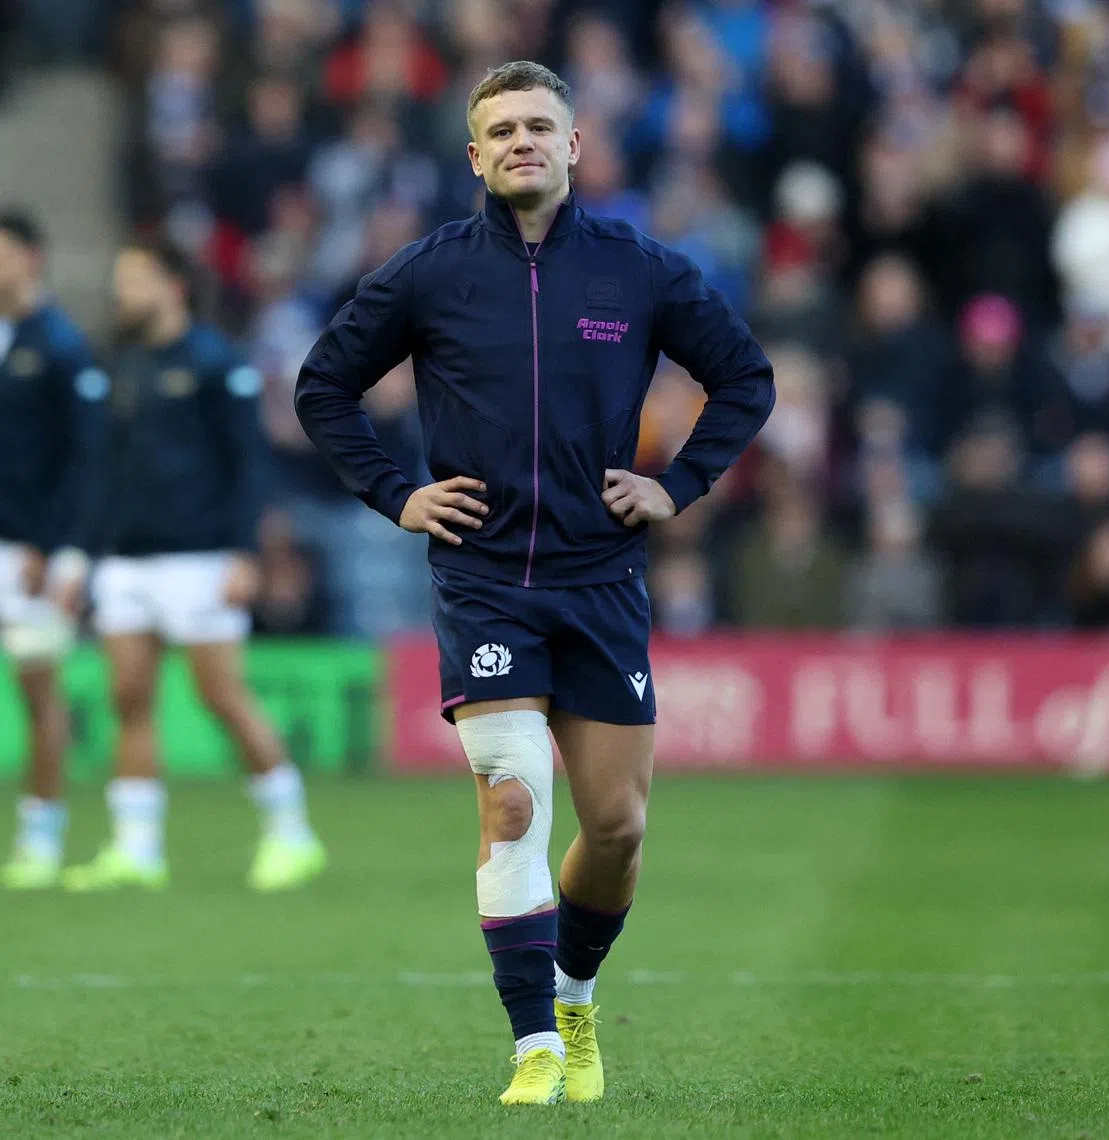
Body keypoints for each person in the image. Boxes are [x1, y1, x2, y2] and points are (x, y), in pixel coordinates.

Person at [295, 61, 775, 1106]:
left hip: (602, 578)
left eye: (539, 126)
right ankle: (532, 1048)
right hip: (483, 582)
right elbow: (323, 385)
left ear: (574, 147)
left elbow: (746, 376)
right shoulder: (425, 274)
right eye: (500, 128)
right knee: (512, 800)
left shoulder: (640, 271)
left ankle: (573, 998)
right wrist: (398, 493)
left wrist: (677, 484)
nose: (521, 140)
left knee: (617, 828)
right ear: (474, 155)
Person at [62, 240, 326, 893]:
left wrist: (245, 551)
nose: (122, 291)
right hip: (126, 558)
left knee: (222, 697)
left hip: (200, 557)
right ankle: (136, 848)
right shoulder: (116, 361)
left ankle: (292, 834)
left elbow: (250, 464)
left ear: (173, 285)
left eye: (135, 278)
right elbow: (99, 470)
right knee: (129, 699)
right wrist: (82, 554)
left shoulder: (215, 361)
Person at [0, 211, 108, 890]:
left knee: (38, 692)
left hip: (29, 554)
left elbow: (86, 460)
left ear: (31, 259)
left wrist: (65, 549)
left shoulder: (62, 345)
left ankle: (40, 837)